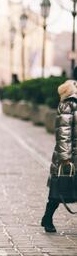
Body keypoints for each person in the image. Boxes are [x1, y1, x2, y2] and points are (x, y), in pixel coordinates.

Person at [42, 80, 77, 233]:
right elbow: (63, 133)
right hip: (69, 155)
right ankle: (47, 218)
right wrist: (65, 157)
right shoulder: (67, 105)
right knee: (58, 190)